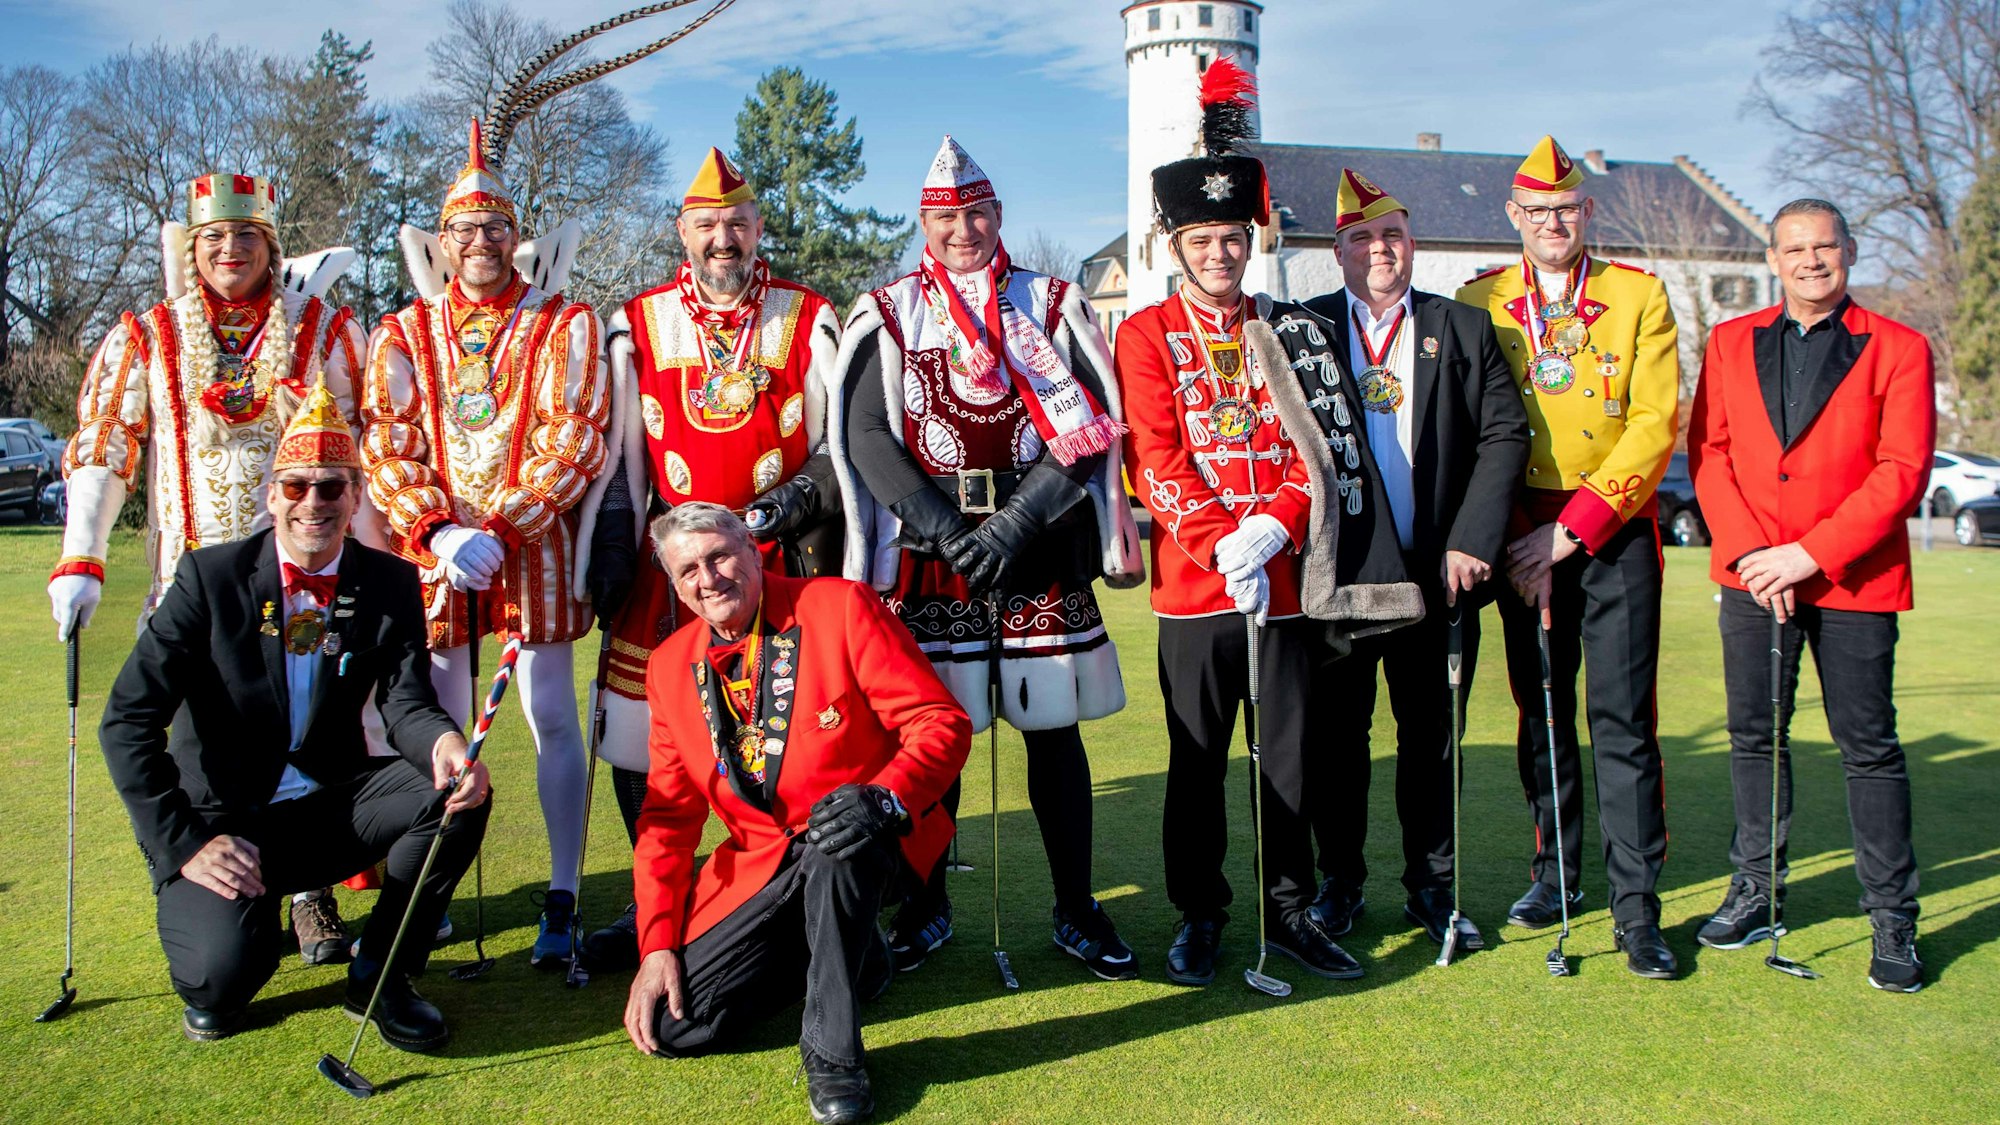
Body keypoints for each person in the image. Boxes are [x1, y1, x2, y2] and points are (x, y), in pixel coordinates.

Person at [1116, 61, 1421, 985]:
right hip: (1196, 588)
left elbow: (1319, 451)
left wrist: (1274, 530)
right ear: (1177, 246)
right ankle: (1202, 910)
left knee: (1288, 761)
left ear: (1252, 240)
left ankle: (1289, 911)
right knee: (1197, 760)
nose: (1219, 254)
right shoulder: (1145, 335)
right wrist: (1221, 542)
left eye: (1232, 238)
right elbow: (1156, 460)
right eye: (1203, 239)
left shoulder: (1295, 328)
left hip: (1287, 582)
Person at [828, 135, 1146, 979]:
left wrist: (1013, 526)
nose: (962, 230)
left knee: (1054, 734)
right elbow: (864, 432)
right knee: (938, 734)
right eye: (945, 218)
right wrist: (942, 528)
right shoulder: (891, 308)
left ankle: (1077, 908)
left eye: (975, 214)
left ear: (998, 215)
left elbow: (1087, 426)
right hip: (936, 552)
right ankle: (927, 905)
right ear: (924, 226)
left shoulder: (1050, 302)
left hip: (1037, 543)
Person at [46, 170, 373, 966]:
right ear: (194, 248)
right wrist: (80, 554)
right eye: (215, 237)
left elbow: (365, 450)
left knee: (312, 733)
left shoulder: (323, 330)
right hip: (189, 591)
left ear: (272, 244)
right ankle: (215, 883)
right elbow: (105, 446)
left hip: (301, 584)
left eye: (248, 236)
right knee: (202, 749)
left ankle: (309, 890)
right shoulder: (148, 335)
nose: (231, 250)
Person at [98, 382, 489, 1046]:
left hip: (326, 806)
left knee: (455, 796)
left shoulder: (390, 582)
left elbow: (405, 701)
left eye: (332, 488)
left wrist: (445, 743)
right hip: (221, 822)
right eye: (297, 485)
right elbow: (127, 721)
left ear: (356, 497)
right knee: (220, 985)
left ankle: (382, 974)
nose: (314, 503)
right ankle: (232, 924)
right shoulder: (206, 580)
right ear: (271, 494)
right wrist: (186, 844)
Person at [581, 147, 844, 970]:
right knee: (644, 738)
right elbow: (621, 457)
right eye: (706, 226)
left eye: (736, 223)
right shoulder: (637, 322)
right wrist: (613, 551)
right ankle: (655, 899)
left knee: (792, 731)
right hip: (675, 567)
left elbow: (836, 449)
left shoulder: (810, 317)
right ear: (682, 232)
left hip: (780, 561)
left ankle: (786, 884)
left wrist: (783, 509)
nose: (722, 239)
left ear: (758, 226)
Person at [621, 504, 968, 1124]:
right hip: (760, 865)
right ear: (674, 586)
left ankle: (833, 1054)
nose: (709, 578)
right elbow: (668, 821)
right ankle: (857, 957)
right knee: (680, 1027)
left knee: (838, 835)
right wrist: (655, 946)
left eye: (721, 556)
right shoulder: (668, 666)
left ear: (755, 552)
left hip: (870, 836)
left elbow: (940, 723)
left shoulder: (840, 606)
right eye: (688, 571)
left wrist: (883, 796)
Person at [361, 121, 608, 968]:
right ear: (442, 238)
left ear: (516, 234)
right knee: (440, 725)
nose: (480, 244)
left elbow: (574, 434)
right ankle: (430, 887)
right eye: (463, 229)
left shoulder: (563, 319)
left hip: (530, 550)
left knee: (550, 717)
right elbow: (386, 441)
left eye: (495, 227)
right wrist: (441, 529)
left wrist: (502, 524)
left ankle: (564, 889)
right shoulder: (402, 330)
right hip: (436, 558)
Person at [1687, 198, 1934, 992]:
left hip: (1853, 578)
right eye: (1795, 248)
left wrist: (1808, 554)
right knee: (1756, 736)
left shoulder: (1900, 347)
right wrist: (1759, 555)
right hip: (1754, 575)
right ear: (1773, 257)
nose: (1811, 260)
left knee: (1869, 747)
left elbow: (1902, 471)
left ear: (1850, 251)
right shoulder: (1729, 343)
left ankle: (1893, 918)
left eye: (1825, 246)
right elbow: (1710, 453)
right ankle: (1757, 886)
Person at [1456, 135, 1682, 979]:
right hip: (1520, 530)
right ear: (1514, 216)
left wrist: (1572, 530)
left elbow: (1654, 424)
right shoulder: (1480, 300)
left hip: (1610, 525)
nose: (1555, 224)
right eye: (1538, 213)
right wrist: (1516, 534)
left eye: (1569, 210)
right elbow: (1479, 429)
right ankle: (1554, 876)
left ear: (1589, 212)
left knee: (1622, 722)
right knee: (1541, 714)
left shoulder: (1638, 297)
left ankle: (1637, 904)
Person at [1297, 169, 1528, 950]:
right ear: (1338, 252)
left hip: (1440, 574)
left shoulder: (1461, 328)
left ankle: (1432, 887)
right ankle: (1341, 880)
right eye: (1361, 237)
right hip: (1344, 577)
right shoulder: (1307, 329)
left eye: (1391, 234)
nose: (1378, 248)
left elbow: (1504, 435)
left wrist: (1474, 538)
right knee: (1338, 740)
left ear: (1411, 244)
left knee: (1430, 739)